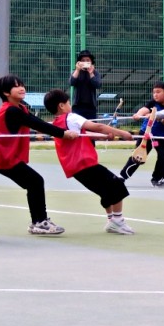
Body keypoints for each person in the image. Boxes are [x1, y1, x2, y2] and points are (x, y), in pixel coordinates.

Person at [0, 74, 79, 235]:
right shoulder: (10, 111)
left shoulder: (20, 108)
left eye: (22, 84)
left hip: (9, 157)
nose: (21, 88)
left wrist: (59, 129)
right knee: (35, 181)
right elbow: (37, 124)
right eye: (16, 86)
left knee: (34, 183)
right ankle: (40, 222)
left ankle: (38, 222)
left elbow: (38, 124)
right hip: (3, 159)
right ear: (6, 92)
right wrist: (64, 133)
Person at [42, 89, 136, 234]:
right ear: (61, 105)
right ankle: (117, 221)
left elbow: (82, 134)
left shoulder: (57, 123)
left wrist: (103, 137)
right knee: (117, 185)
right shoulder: (71, 117)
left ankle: (111, 220)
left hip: (75, 168)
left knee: (106, 192)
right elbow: (98, 126)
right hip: (85, 163)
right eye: (68, 102)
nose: (69, 105)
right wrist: (122, 133)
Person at [120, 82, 164, 185]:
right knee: (137, 157)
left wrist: (159, 119)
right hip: (146, 134)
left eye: (158, 92)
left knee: (163, 158)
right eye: (154, 92)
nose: (155, 95)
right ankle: (123, 176)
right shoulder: (152, 103)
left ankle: (157, 178)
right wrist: (138, 114)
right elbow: (144, 109)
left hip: (163, 136)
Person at [69, 49, 101, 120]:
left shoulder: (95, 73)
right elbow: (71, 82)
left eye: (87, 60)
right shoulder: (76, 72)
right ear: (79, 62)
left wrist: (91, 73)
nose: (85, 62)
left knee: (91, 126)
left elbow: (97, 85)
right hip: (77, 106)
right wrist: (77, 70)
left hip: (91, 106)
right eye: (83, 60)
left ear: (91, 61)